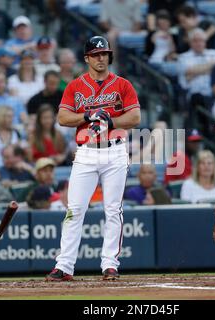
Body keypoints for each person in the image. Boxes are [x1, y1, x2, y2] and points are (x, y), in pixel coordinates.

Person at [46, 36, 141, 282]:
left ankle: (110, 265)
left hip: (115, 150)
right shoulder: (75, 86)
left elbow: (135, 118)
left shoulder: (122, 84)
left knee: (113, 210)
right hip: (86, 151)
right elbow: (63, 118)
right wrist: (87, 115)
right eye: (96, 54)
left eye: (104, 54)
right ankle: (64, 266)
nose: (101, 58)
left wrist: (111, 121)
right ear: (87, 58)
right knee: (75, 209)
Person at [178, 28, 215, 135]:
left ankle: (196, 132)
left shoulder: (214, 53)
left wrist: (194, 71)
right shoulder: (183, 57)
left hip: (213, 94)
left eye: (201, 40)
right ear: (190, 42)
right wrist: (210, 66)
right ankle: (208, 130)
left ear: (205, 42)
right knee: (198, 97)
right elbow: (187, 73)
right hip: (192, 96)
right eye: (195, 40)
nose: (199, 43)